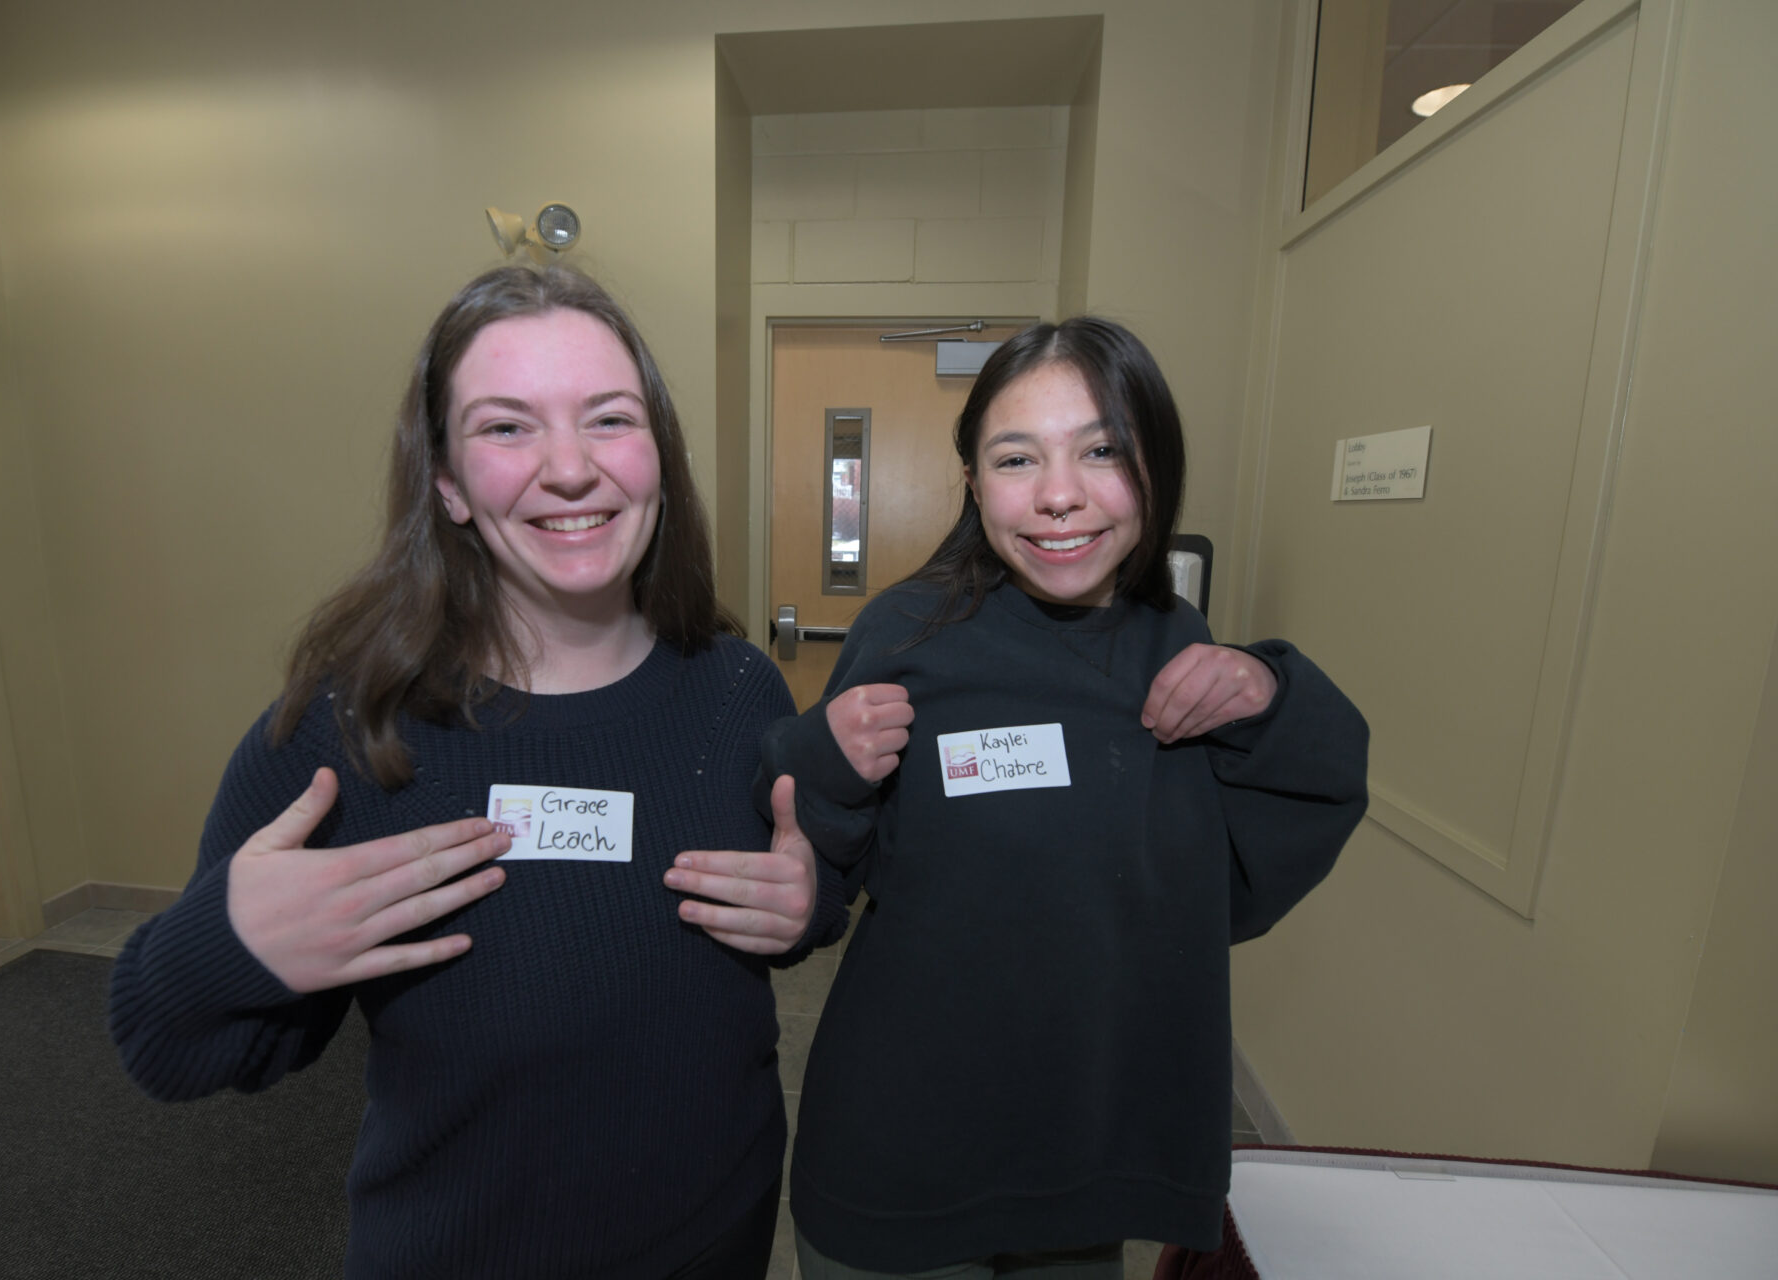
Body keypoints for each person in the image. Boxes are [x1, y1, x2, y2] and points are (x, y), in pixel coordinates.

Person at [110, 264, 849, 1279]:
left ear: (659, 457)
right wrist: (228, 942)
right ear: (448, 482)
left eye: (609, 419)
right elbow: (164, 1048)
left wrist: (809, 904)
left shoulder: (738, 690)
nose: (570, 468)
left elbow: (789, 900)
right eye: (506, 427)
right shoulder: (354, 728)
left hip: (720, 1243)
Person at [759, 318, 1369, 1279]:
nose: (1057, 495)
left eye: (1102, 450)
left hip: (1085, 1158)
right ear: (973, 483)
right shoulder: (907, 633)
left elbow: (1242, 878)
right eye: (1016, 458)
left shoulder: (1181, 645)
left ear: (1155, 466)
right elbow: (820, 873)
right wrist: (820, 766)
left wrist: (1270, 693)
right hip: (901, 1147)